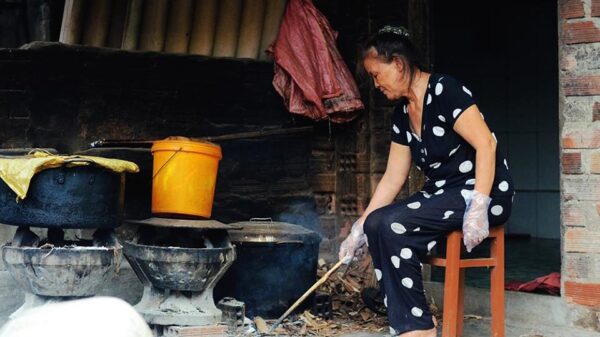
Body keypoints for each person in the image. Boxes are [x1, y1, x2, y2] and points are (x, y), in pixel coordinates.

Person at [338, 25, 514, 337]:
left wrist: (479, 205)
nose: (375, 84)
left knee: (393, 225)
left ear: (398, 64)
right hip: (442, 195)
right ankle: (414, 322)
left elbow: (486, 144)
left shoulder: (445, 90)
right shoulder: (402, 114)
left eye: (376, 75)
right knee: (378, 224)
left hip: (482, 191)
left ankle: (417, 328)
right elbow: (393, 178)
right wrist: (359, 226)